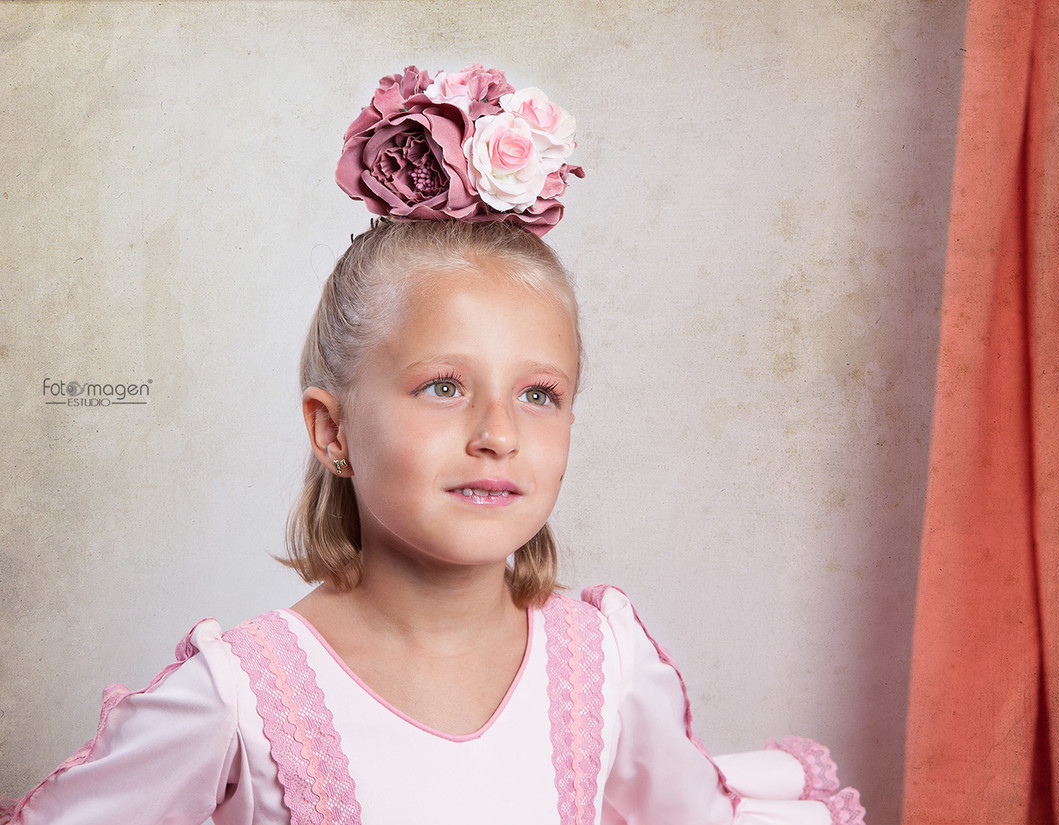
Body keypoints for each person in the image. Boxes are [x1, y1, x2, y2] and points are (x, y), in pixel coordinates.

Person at [0, 65, 864, 825]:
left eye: (538, 394)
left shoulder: (605, 666)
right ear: (331, 430)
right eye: (443, 386)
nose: (496, 435)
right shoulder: (244, 693)